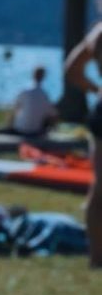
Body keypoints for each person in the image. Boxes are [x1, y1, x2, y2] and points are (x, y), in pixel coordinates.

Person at [64, 21, 102, 268]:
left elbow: (72, 70)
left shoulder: (98, 32)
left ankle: (97, 258)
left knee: (99, 187)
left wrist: (96, 88)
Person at [0, 66, 58, 136]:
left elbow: (14, 110)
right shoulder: (45, 96)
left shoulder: (25, 91)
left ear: (33, 75)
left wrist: (9, 124)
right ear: (43, 77)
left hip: (20, 130)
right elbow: (53, 115)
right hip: (36, 132)